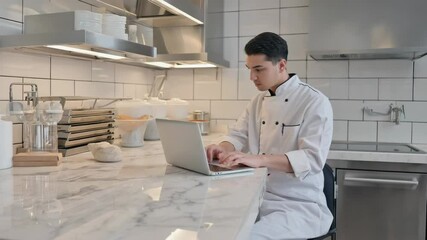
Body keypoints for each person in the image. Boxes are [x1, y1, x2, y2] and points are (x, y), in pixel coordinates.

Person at [206, 32, 333, 240]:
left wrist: (258, 160)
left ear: (281, 65)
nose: (252, 77)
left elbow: (312, 159)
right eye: (250, 69)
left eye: (259, 69)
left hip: (297, 206)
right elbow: (237, 135)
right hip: (257, 197)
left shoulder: (314, 101)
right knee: (213, 229)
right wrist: (223, 147)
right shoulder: (257, 102)